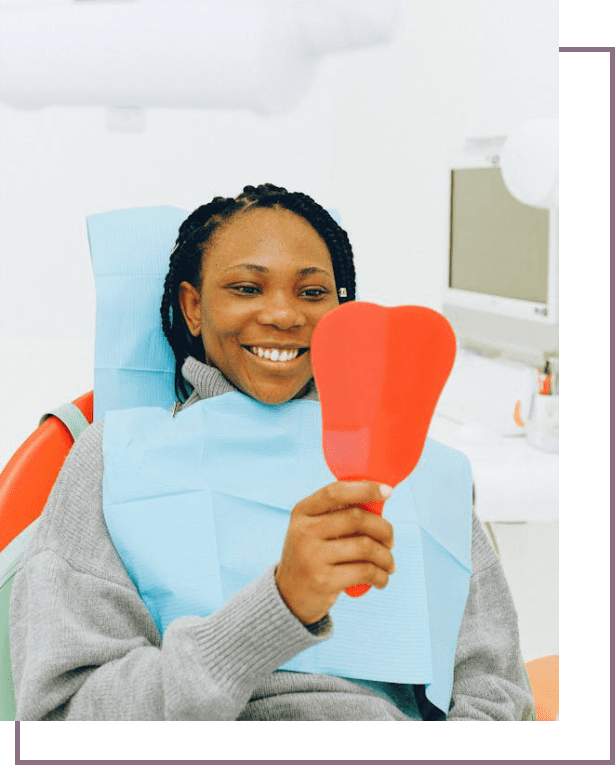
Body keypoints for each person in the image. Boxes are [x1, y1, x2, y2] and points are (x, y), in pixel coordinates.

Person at [9, 184, 534, 721]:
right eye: (245, 288)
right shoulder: (113, 461)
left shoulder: (425, 472)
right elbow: (67, 717)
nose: (283, 315)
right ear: (193, 307)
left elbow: (499, 699)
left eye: (312, 293)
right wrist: (279, 605)